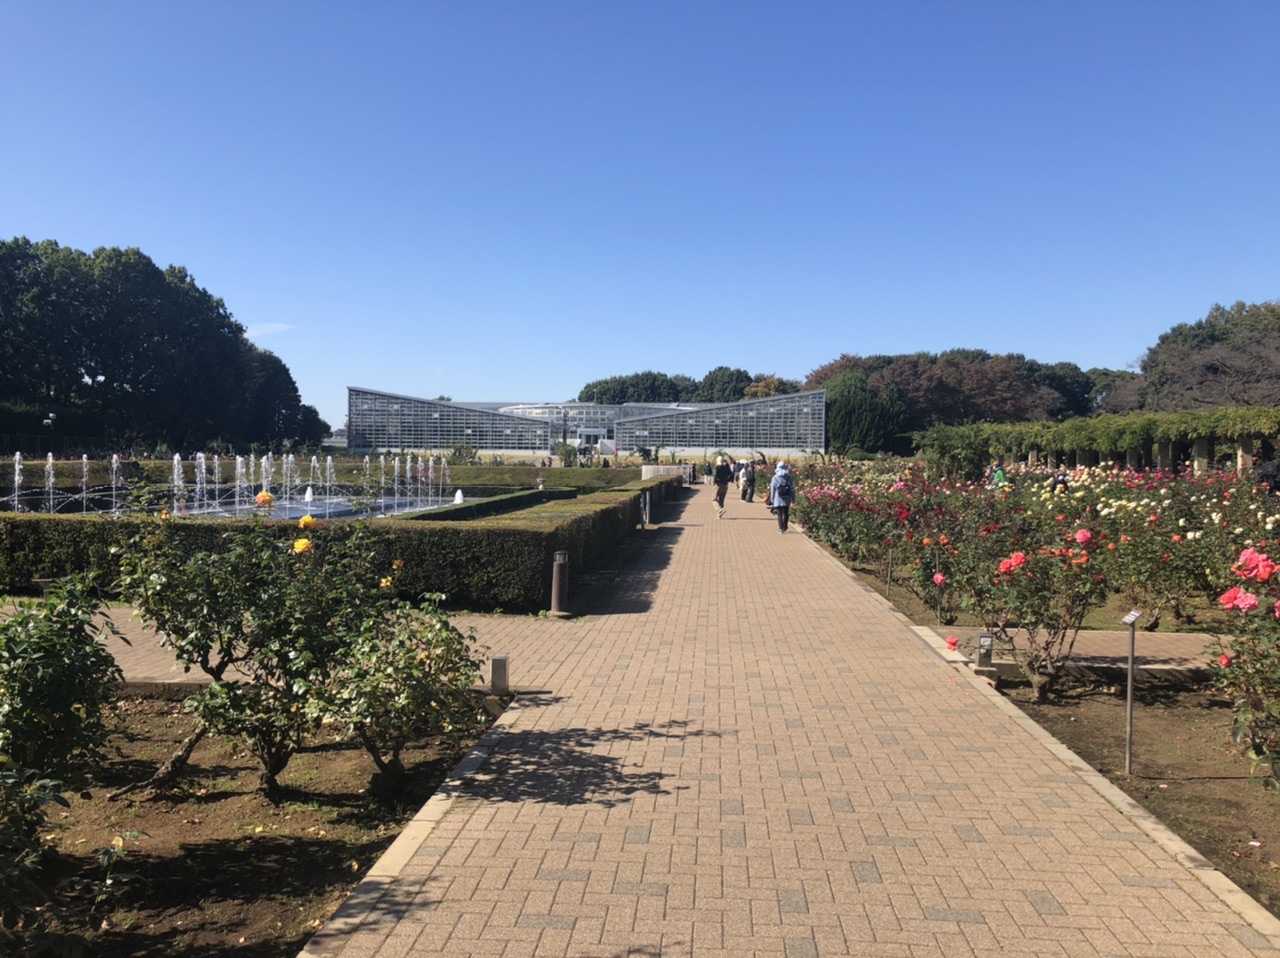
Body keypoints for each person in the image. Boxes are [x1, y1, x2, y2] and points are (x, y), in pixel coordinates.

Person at [769, 461, 795, 533]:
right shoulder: (789, 477)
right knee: (786, 513)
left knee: (779, 514)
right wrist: (793, 499)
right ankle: (785, 527)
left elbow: (773, 489)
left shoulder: (775, 477)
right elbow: (792, 489)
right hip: (787, 498)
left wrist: (772, 499)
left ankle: (781, 529)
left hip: (778, 498)